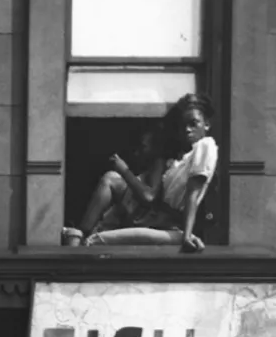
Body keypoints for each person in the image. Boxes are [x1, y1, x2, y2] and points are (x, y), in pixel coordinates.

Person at [62, 94, 218, 253]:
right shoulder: (183, 159)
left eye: (193, 124)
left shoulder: (205, 146)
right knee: (111, 194)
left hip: (161, 216)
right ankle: (80, 235)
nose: (187, 130)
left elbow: (191, 193)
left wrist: (187, 234)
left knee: (110, 179)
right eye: (183, 125)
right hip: (158, 214)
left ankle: (80, 234)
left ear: (206, 124)